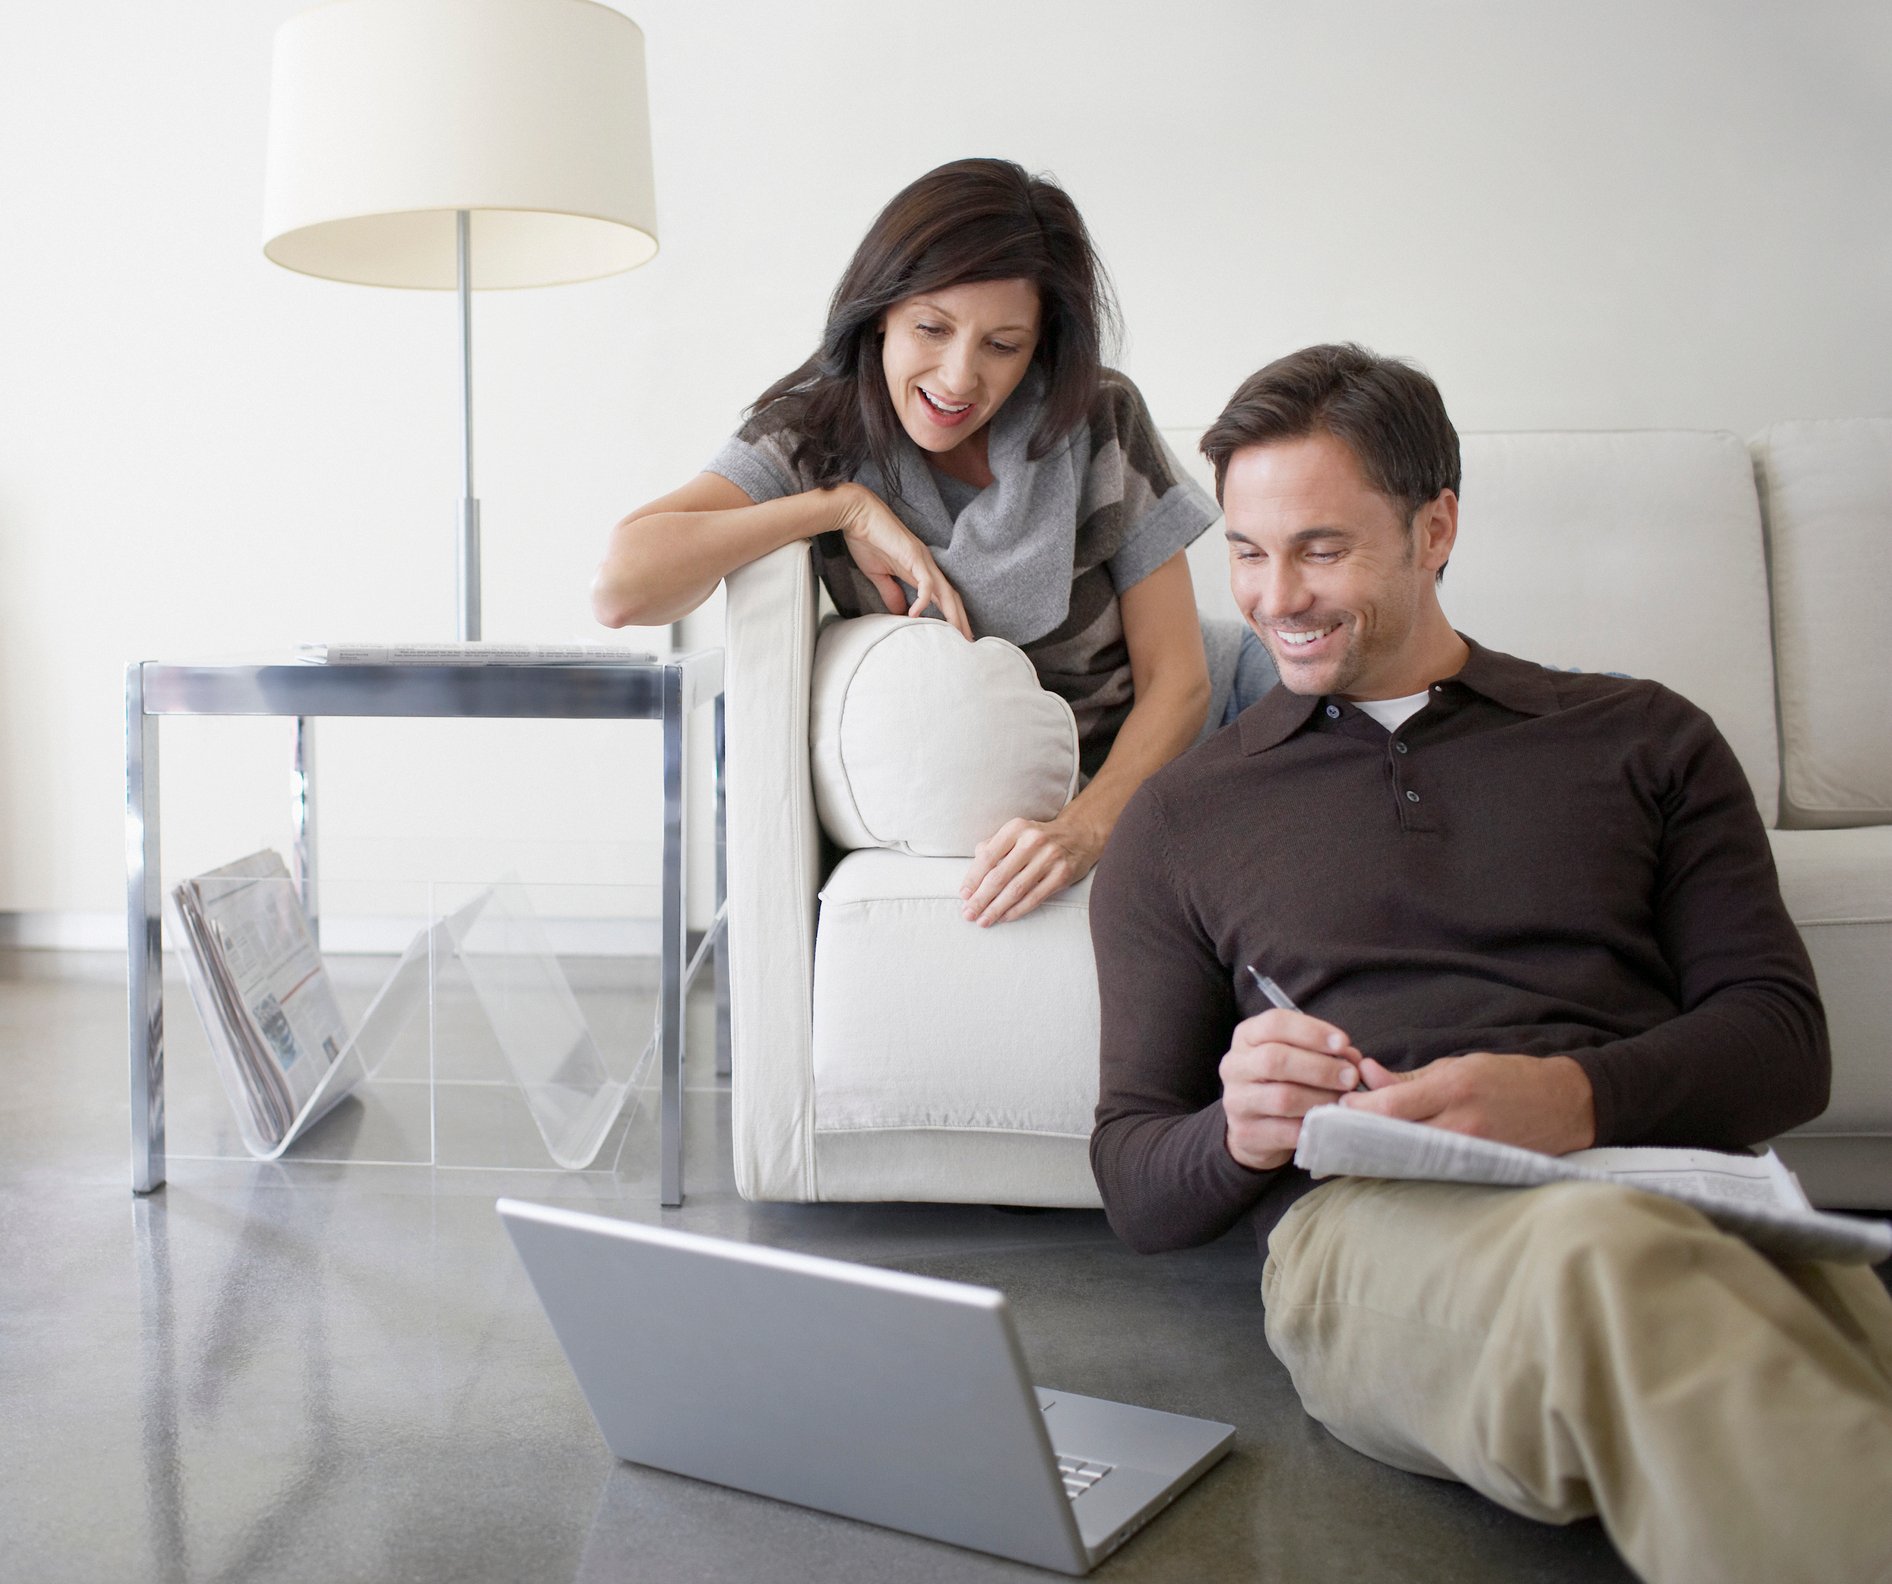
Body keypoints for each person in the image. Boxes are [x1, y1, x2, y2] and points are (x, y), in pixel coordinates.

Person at [1087, 343, 1892, 1584]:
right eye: (1246, 551)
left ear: (1435, 528)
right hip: (1377, 1229)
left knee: (1826, 1344)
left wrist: (1567, 1101)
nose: (1273, 597)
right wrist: (1239, 1127)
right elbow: (1137, 1176)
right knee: (1606, 1274)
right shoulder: (1184, 815)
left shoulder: (1643, 738)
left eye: (1320, 548)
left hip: (1678, 1185)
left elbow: (1782, 1042)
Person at [591, 158, 1274, 927]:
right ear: (879, 310)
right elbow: (622, 587)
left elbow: (1180, 680)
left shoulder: (1097, 418)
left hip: (1218, 722)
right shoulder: (813, 439)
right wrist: (838, 509)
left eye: (1003, 345)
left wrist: (1084, 831)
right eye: (932, 328)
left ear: (1041, 347)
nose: (959, 377)